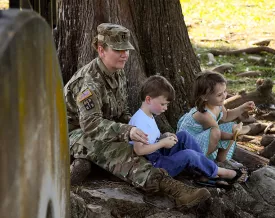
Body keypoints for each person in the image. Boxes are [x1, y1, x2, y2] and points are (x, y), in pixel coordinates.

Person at [65, 23, 210, 207]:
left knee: (133, 143)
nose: (124, 54)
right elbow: (91, 125)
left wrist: (145, 133)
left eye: (126, 49)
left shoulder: (118, 73)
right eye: (118, 50)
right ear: (101, 50)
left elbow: (122, 114)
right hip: (72, 134)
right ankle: (175, 190)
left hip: (101, 128)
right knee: (117, 150)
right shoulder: (89, 84)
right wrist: (128, 131)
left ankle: (95, 166)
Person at [129, 75, 247, 186]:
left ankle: (205, 172)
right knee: (188, 155)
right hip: (154, 165)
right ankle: (222, 172)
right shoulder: (139, 120)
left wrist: (164, 136)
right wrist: (163, 143)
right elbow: (139, 150)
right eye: (163, 104)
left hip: (160, 155)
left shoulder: (148, 115)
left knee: (183, 136)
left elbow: (150, 139)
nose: (165, 108)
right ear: (148, 99)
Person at [177, 70, 255, 163]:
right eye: (219, 94)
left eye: (224, 91)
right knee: (217, 132)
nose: (224, 96)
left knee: (231, 126)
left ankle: (221, 161)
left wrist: (242, 108)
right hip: (191, 145)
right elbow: (217, 134)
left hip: (205, 138)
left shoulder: (218, 104)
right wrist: (233, 136)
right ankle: (201, 163)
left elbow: (226, 117)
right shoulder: (204, 114)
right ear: (205, 97)